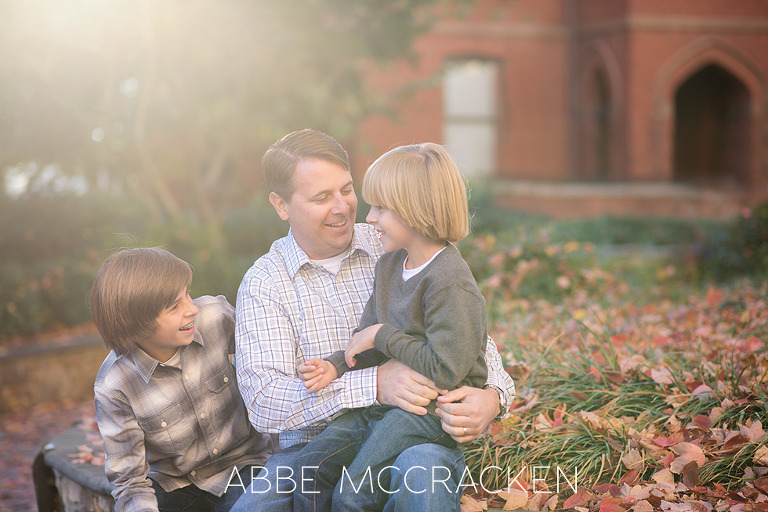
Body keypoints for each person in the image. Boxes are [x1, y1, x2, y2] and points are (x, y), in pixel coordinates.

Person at [233, 129, 515, 511]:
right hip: (317, 442)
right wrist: (373, 383)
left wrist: (494, 397)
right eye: (321, 197)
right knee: (261, 503)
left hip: (414, 428)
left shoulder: (390, 242)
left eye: (346, 190)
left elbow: (471, 340)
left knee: (420, 472)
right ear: (281, 205)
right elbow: (264, 403)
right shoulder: (265, 283)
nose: (343, 208)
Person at [291, 142, 489, 511]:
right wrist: (336, 364)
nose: (369, 218)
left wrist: (383, 335)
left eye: (381, 208)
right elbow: (368, 339)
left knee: (352, 494)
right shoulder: (391, 265)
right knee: (309, 470)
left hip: (426, 414)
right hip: (382, 405)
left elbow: (446, 369)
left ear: (416, 210)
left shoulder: (450, 282)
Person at [91, 248, 272, 512]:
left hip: (243, 464)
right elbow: (130, 482)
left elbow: (271, 366)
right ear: (136, 323)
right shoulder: (115, 385)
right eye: (174, 306)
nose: (192, 309)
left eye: (187, 294)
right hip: (173, 483)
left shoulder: (216, 317)